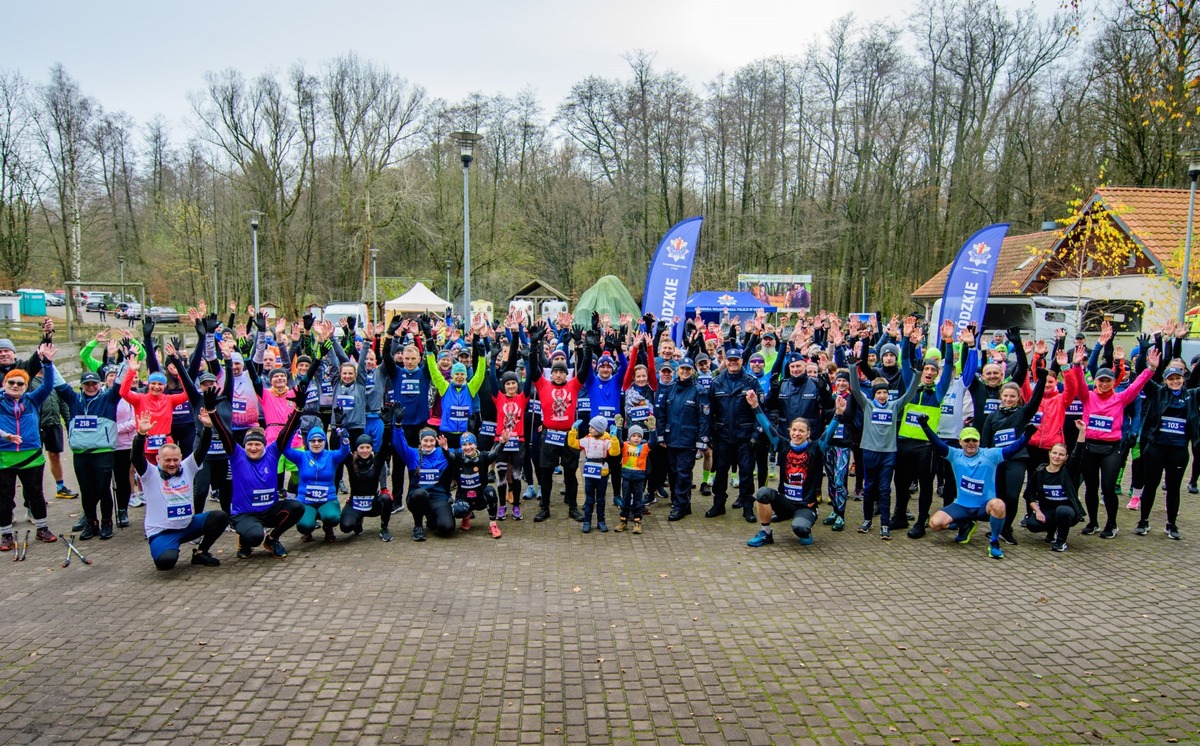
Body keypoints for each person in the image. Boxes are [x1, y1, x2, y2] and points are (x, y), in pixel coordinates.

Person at [1065, 344, 1155, 538]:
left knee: (1107, 487)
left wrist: (1151, 369)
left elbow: (1137, 385)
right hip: (1089, 447)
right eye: (1101, 381)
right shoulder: (1087, 397)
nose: (1104, 384)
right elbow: (1079, 383)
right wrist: (1077, 365)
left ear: (1114, 382)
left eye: (1108, 381)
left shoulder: (1121, 398)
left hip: (1111, 449)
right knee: (1091, 487)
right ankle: (1093, 522)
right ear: (1096, 382)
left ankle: (1112, 524)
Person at [209, 386, 306, 559]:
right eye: (250, 444)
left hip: (269, 511)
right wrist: (212, 412)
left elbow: (286, 432)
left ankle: (272, 539)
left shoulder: (272, 452)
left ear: (263, 445)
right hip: (245, 513)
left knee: (297, 507)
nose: (253, 447)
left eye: (257, 444)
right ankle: (244, 541)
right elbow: (225, 434)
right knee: (254, 537)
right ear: (244, 445)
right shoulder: (237, 455)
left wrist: (298, 410)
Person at [919, 419, 1036, 559]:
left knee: (999, 505)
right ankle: (965, 525)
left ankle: (994, 542)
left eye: (974, 440)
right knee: (935, 524)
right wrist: (925, 426)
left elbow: (1013, 449)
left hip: (983, 507)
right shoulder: (954, 455)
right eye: (967, 440)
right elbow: (937, 443)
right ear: (960, 442)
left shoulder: (991, 455)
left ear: (979, 442)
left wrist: (1026, 436)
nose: (971, 444)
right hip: (961, 505)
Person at [133, 409, 229, 569]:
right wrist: (141, 435)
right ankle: (168, 548)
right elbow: (136, 458)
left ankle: (201, 552)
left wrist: (207, 428)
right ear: (158, 459)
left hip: (188, 526)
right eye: (167, 460)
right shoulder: (150, 473)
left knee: (220, 517)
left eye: (175, 459)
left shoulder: (187, 467)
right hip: (162, 532)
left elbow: (202, 450)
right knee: (166, 563)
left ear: (181, 458)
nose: (172, 464)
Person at [745, 392, 844, 547]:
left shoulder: (816, 448)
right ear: (789, 431)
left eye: (801, 431)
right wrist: (755, 406)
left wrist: (838, 414)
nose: (797, 434)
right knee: (762, 493)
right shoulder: (782, 444)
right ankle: (765, 532)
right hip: (785, 502)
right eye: (794, 430)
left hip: (806, 505)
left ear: (808, 433)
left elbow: (829, 432)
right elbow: (767, 426)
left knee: (800, 529)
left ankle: (806, 524)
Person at [849, 362, 921, 540]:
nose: (882, 396)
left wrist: (917, 373)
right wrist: (852, 369)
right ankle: (867, 520)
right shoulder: (868, 405)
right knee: (869, 488)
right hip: (869, 452)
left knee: (884, 489)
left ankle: (885, 524)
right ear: (874, 394)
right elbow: (856, 390)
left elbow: (910, 394)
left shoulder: (894, 405)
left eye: (885, 392)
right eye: (879, 393)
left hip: (888, 453)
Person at [0, 343, 61, 550]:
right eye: (11, 382)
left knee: (36, 494)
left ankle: (42, 529)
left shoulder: (33, 400)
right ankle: (6, 534)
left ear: (26, 386)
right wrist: (5, 436)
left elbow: (48, 386)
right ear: (4, 384)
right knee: (4, 497)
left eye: (20, 383)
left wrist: (48, 364)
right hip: (4, 456)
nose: (15, 386)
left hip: (32, 456)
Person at [1134, 355, 1198, 540]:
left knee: (1173, 488)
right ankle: (1143, 521)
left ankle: (1171, 525)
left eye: (1178, 378)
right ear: (1166, 380)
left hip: (1178, 451)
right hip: (1156, 449)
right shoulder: (1158, 392)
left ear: (1183, 378)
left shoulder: (1192, 395)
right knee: (1151, 485)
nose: (1175, 381)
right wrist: (1149, 364)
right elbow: (1141, 375)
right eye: (1171, 379)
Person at [55, 370, 124, 540]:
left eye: (94, 384)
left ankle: (107, 523)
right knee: (86, 491)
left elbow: (120, 384)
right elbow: (59, 382)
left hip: (103, 452)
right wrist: (48, 363)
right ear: (81, 385)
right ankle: (91, 523)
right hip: (81, 453)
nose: (91, 387)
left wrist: (126, 363)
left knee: (102, 488)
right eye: (87, 384)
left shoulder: (108, 398)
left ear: (100, 385)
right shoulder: (73, 399)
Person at [660, 357, 710, 521]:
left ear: (693, 371)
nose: (685, 372)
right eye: (682, 369)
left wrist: (702, 441)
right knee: (673, 473)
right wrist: (661, 436)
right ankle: (683, 503)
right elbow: (662, 414)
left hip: (688, 439)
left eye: (688, 369)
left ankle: (679, 506)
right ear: (677, 370)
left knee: (683, 473)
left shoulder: (699, 390)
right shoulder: (670, 389)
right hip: (671, 437)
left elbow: (704, 417)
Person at [285, 425, 351, 543]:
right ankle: (307, 531)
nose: (316, 443)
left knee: (333, 517)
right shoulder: (302, 456)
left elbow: (344, 451)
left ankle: (328, 527)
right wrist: (291, 430)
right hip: (305, 501)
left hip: (327, 500)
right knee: (303, 525)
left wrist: (344, 439)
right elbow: (285, 449)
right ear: (308, 442)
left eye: (320, 440)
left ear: (324, 442)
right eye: (313, 440)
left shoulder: (331, 456)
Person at [1027, 435, 1086, 552]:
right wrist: (1037, 511)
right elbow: (1029, 494)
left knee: (1062, 511)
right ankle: (1051, 531)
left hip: (1068, 511)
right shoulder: (1039, 473)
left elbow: (1078, 454)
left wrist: (1082, 431)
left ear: (1066, 457)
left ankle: (1061, 541)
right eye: (1054, 453)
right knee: (1032, 524)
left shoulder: (1069, 473)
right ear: (1049, 453)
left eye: (1061, 455)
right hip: (1048, 510)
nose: (1057, 457)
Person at [444, 431, 507, 538]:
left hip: (480, 497)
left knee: (490, 491)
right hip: (464, 497)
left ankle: (493, 524)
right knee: (457, 511)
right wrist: (444, 448)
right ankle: (466, 516)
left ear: (475, 445)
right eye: (464, 445)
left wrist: (502, 443)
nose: (468, 447)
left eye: (470, 444)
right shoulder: (458, 457)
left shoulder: (483, 456)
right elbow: (449, 455)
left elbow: (494, 454)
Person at [394, 427, 453, 540]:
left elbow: (462, 454)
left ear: (436, 441)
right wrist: (397, 427)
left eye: (431, 440)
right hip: (417, 497)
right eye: (425, 440)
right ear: (420, 441)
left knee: (447, 528)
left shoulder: (442, 452)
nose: (429, 444)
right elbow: (399, 444)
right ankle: (418, 526)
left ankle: (431, 518)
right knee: (421, 494)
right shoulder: (413, 454)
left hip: (438, 497)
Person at [339, 434, 394, 541]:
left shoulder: (377, 461)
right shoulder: (351, 461)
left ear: (371, 448)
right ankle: (358, 520)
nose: (365, 450)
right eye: (361, 447)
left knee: (386, 499)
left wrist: (387, 427)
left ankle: (384, 528)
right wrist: (340, 430)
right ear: (357, 449)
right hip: (355, 503)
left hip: (373, 504)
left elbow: (386, 446)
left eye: (368, 447)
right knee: (345, 527)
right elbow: (341, 449)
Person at [573, 415, 621, 533]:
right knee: (589, 499)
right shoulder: (587, 439)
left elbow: (615, 452)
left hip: (602, 472)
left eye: (593, 427)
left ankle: (601, 521)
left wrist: (614, 438)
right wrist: (573, 431)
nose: (590, 429)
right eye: (589, 426)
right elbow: (574, 443)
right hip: (589, 472)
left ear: (600, 429)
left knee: (601, 499)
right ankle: (587, 521)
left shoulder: (606, 440)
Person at [615, 424, 649, 534]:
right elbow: (618, 441)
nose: (636, 438)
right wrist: (619, 428)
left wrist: (652, 429)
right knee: (625, 499)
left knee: (638, 501)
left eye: (639, 436)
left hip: (639, 478)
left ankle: (637, 522)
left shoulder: (644, 447)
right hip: (626, 478)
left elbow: (653, 442)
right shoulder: (624, 445)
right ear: (629, 437)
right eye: (634, 435)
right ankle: (623, 521)